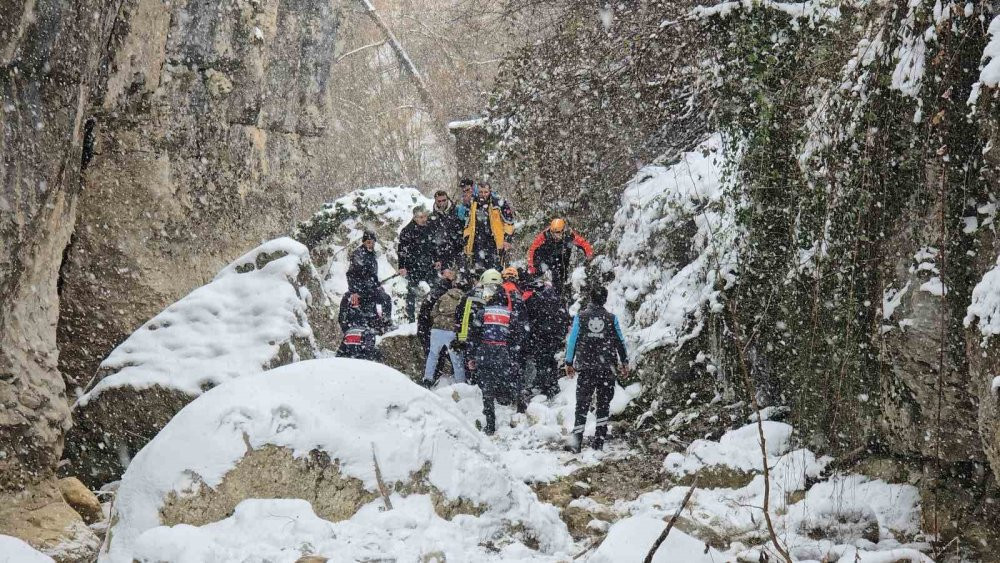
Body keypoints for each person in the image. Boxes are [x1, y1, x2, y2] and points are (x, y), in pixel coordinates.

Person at [456, 269, 524, 435]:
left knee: (487, 390)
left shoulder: (482, 313)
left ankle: (490, 424)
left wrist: (472, 357)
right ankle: (516, 412)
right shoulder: (510, 315)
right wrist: (513, 358)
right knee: (507, 383)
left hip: (485, 354)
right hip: (503, 354)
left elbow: (473, 336)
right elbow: (516, 339)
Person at [564, 285, 629, 453]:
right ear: (605, 299)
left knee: (582, 404)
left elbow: (573, 341)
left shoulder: (581, 317)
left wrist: (569, 362)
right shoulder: (611, 318)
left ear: (590, 298)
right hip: (607, 368)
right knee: (604, 404)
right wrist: (625, 362)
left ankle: (576, 440)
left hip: (586, 368)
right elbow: (620, 341)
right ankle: (599, 441)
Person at [418, 267, 468, 388]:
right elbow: (463, 316)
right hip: (451, 331)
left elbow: (433, 312)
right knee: (456, 359)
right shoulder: (463, 299)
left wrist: (436, 322)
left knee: (433, 355)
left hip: (436, 329)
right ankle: (461, 384)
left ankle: (428, 379)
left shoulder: (442, 295)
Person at [522, 274, 570, 398]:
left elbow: (527, 318)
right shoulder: (556, 299)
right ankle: (552, 385)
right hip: (553, 336)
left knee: (541, 361)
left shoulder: (533, 298)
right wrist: (561, 334)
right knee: (550, 360)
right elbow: (564, 317)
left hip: (539, 336)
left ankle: (541, 386)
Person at [526, 218, 594, 295]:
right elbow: (532, 249)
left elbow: (582, 243)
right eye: (553, 232)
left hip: (560, 260)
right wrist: (531, 265)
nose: (555, 235)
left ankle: (558, 295)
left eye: (557, 232)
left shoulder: (569, 235)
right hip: (545, 259)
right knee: (533, 277)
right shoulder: (544, 236)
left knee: (559, 280)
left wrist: (589, 254)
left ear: (563, 230)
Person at [462, 182, 515, 271]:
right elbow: (467, 225)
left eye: (485, 192)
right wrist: (467, 241)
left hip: (494, 242)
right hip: (477, 243)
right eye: (480, 192)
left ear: (490, 191)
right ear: (477, 192)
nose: (483, 194)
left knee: (495, 270)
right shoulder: (472, 204)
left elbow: (509, 223)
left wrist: (507, 239)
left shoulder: (498, 203)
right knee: (478, 270)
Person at [347, 230, 393, 328]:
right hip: (361, 290)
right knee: (369, 314)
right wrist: (354, 291)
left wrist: (377, 285)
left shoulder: (372, 255)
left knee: (386, 299)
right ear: (364, 242)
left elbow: (372, 275)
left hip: (371, 289)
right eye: (368, 241)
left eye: (372, 241)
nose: (370, 243)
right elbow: (351, 274)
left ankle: (386, 323)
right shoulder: (358, 254)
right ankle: (374, 328)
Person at [397, 207, 435, 322]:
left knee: (434, 289)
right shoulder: (407, 231)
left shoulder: (429, 228)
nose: (424, 219)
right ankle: (411, 318)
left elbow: (434, 246)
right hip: (413, 266)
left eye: (425, 217)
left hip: (428, 265)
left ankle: (430, 315)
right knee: (411, 292)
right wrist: (402, 267)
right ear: (415, 217)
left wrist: (436, 259)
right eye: (421, 217)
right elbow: (402, 250)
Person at [335, 292, 380, 361]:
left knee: (341, 360)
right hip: (366, 336)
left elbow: (341, 318)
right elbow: (375, 320)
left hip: (350, 335)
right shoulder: (371, 294)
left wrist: (348, 330)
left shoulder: (348, 296)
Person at [427, 190, 465, 271]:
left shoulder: (457, 212)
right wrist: (435, 258)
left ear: (447, 199)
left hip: (459, 252)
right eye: (439, 201)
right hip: (441, 255)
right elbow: (430, 240)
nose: (442, 203)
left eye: (444, 200)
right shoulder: (431, 218)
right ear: (435, 201)